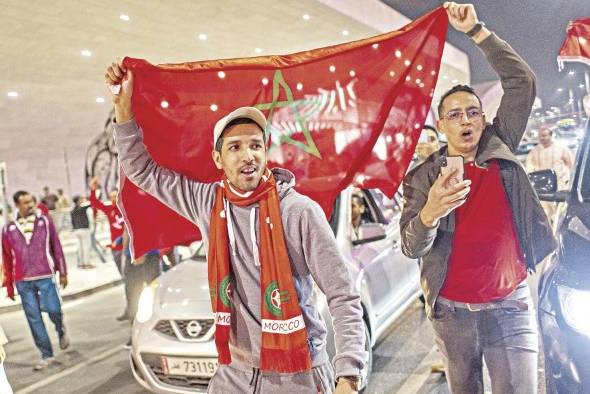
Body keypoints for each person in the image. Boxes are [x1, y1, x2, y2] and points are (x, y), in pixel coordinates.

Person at [105, 60, 366, 393]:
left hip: (296, 373)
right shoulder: (207, 202)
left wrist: (349, 374)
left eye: (256, 145)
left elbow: (342, 294)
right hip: (234, 372)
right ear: (218, 160)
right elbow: (142, 171)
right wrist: (122, 109)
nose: (248, 156)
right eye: (235, 147)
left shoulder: (299, 213)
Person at [400, 3, 556, 394]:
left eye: (473, 112)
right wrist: (430, 213)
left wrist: (476, 32)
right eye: (455, 115)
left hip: (510, 305)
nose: (466, 121)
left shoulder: (499, 145)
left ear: (484, 120)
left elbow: (522, 82)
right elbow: (410, 245)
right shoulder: (422, 178)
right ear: (441, 124)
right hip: (454, 317)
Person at [1, 191, 70, 371]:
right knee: (34, 318)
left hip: (45, 275)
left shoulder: (45, 222)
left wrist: (62, 271)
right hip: (22, 280)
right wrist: (9, 286)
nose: (29, 205)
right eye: (24, 203)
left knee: (54, 309)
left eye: (31, 201)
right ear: (17, 205)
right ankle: (46, 354)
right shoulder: (8, 228)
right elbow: (7, 259)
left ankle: (60, 329)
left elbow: (56, 245)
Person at [526, 125, 574, 223]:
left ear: (551, 136)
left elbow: (571, 164)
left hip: (561, 189)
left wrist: (569, 181)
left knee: (559, 216)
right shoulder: (534, 152)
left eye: (544, 136)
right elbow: (529, 170)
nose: (541, 138)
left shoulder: (561, 148)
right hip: (543, 190)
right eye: (540, 136)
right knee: (545, 217)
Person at [89, 177, 125, 274]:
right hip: (115, 248)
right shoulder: (109, 209)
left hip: (126, 247)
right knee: (122, 274)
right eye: (111, 197)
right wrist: (93, 189)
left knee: (130, 275)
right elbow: (94, 202)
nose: (113, 199)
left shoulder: (126, 209)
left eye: (115, 196)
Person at [70, 195, 95, 269]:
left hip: (77, 230)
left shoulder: (72, 211)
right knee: (86, 247)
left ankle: (81, 263)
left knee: (80, 248)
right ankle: (86, 263)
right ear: (78, 201)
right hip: (84, 229)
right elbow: (92, 203)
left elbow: (72, 222)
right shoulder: (83, 208)